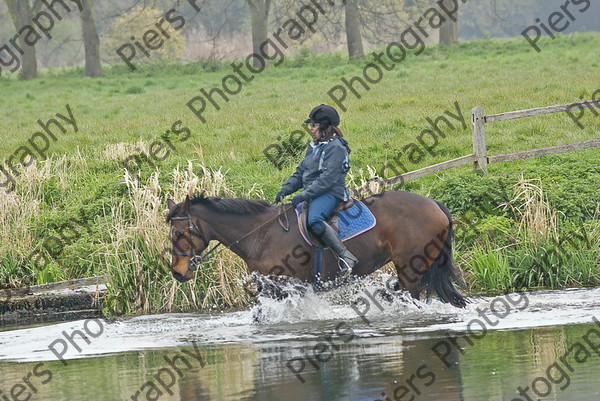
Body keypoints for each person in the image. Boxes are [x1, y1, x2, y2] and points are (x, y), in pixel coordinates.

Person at [275, 104, 358, 277]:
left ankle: (346, 257)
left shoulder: (336, 148)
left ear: (325, 127)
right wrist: (285, 190)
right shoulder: (313, 147)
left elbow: (327, 180)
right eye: (310, 125)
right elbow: (300, 173)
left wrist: (304, 195)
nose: (311, 129)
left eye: (314, 125)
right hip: (314, 192)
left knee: (314, 219)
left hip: (330, 193)